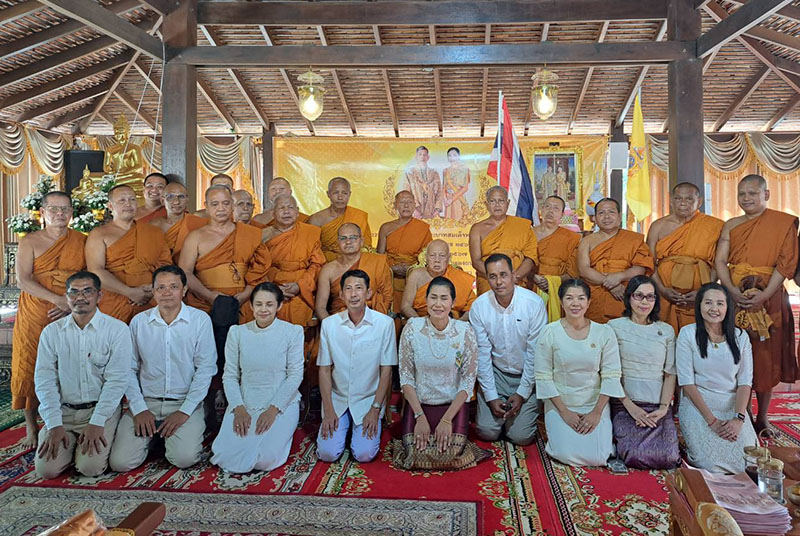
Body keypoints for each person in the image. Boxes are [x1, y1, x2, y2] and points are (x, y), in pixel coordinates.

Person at [108, 265, 216, 472]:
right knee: (120, 463)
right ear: (153, 291)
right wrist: (139, 409)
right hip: (146, 401)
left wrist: (184, 411)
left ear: (184, 290)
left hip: (183, 402)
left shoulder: (200, 320)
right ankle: (155, 437)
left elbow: (205, 369)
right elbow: (127, 369)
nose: (167, 292)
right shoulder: (139, 322)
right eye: (161, 287)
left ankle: (165, 436)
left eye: (173, 287)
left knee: (184, 459)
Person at [715, 174, 798, 435]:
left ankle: (762, 417)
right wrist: (730, 290)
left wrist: (764, 295)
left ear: (767, 195)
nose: (747, 199)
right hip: (736, 296)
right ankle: (741, 412)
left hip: (770, 297)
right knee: (734, 354)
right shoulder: (731, 225)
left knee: (766, 357)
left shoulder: (783, 223)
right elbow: (720, 261)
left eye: (752, 193)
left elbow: (785, 265)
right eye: (742, 194)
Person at [33, 271, 131, 478]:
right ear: (67, 297)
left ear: (99, 296)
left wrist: (97, 422)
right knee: (46, 470)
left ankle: (88, 443)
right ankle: (67, 442)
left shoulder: (117, 330)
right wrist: (53, 423)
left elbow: (117, 380)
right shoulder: (52, 333)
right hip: (64, 412)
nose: (80, 297)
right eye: (74, 292)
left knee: (90, 469)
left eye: (87, 291)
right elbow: (44, 381)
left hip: (99, 411)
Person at [12, 191, 86, 449]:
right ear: (42, 212)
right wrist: (56, 300)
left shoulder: (81, 240)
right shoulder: (30, 241)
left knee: (68, 361)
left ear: (72, 213)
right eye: (53, 209)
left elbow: (86, 278)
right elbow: (23, 280)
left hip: (71, 308)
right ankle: (31, 425)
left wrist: (71, 304)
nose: (60, 214)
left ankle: (67, 418)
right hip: (37, 308)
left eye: (65, 209)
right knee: (30, 362)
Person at [393, 276, 489, 470]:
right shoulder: (412, 328)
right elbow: (406, 378)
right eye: (433, 298)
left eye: (444, 298)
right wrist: (419, 417)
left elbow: (467, 383)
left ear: (453, 302)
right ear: (426, 300)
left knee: (449, 456)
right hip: (419, 405)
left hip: (452, 407)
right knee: (415, 455)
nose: (438, 304)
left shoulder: (465, 331)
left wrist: (447, 420)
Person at [211, 282, 303, 472]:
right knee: (224, 455)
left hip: (280, 401)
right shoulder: (237, 333)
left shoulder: (292, 332)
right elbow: (229, 376)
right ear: (251, 306)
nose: (263, 309)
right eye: (259, 304)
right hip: (245, 399)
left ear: (279, 306)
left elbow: (295, 376)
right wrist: (238, 408)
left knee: (264, 460)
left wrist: (273, 410)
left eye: (269, 304)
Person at [535, 279, 625, 466]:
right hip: (560, 402)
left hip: (594, 403)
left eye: (581, 298)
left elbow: (611, 375)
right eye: (569, 298)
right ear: (561, 302)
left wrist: (596, 412)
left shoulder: (604, 332)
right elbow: (543, 376)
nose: (575, 303)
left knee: (599, 456)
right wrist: (565, 413)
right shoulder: (549, 332)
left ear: (589, 302)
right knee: (565, 454)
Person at [316, 269, 396, 463]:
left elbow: (386, 370)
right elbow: (324, 370)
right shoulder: (329, 324)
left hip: (368, 400)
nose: (353, 294)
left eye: (359, 288)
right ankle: (343, 429)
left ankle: (356, 432)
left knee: (364, 454)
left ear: (368, 293)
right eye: (348, 289)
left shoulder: (384, 324)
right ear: (341, 294)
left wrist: (375, 408)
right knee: (327, 454)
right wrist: (328, 410)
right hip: (338, 399)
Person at [676, 283, 757, 473]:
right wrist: (712, 421)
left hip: (731, 405)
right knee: (709, 463)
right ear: (699, 306)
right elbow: (686, 382)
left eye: (720, 303)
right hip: (699, 404)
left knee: (749, 462)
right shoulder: (687, 334)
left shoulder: (740, 336)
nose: (714, 309)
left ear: (728, 307)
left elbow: (745, 382)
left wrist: (738, 419)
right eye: (708, 303)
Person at [470, 254, 547, 446]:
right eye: (493, 276)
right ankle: (500, 415)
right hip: (497, 373)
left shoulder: (533, 304)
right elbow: (482, 354)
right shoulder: (479, 307)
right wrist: (491, 396)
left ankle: (516, 416)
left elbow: (535, 353)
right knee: (487, 432)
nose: (498, 282)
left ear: (514, 275)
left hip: (527, 375)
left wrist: (522, 393)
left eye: (503, 275)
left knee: (521, 437)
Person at [607, 276, 680, 469]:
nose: (644, 302)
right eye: (638, 296)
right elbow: (610, 373)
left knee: (669, 457)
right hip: (625, 403)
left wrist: (664, 408)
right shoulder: (614, 327)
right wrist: (630, 407)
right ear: (629, 298)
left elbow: (670, 373)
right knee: (634, 456)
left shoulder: (666, 330)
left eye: (650, 297)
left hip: (657, 405)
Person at [179, 185, 272, 324]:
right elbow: (185, 272)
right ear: (206, 206)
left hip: (245, 301)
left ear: (232, 205)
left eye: (226, 203)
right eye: (215, 204)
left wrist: (246, 294)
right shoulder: (196, 237)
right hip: (206, 304)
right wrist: (211, 296)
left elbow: (260, 269)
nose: (221, 208)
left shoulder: (249, 233)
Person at [85, 184, 171, 323]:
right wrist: (129, 292)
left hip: (151, 298)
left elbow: (165, 266)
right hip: (115, 299)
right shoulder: (99, 234)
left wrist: (153, 289)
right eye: (122, 200)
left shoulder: (153, 232)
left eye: (132, 200)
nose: (128, 204)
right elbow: (95, 270)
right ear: (110, 206)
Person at [646, 182, 723, 334]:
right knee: (665, 337)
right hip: (665, 294)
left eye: (689, 199)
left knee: (698, 338)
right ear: (671, 200)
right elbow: (648, 263)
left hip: (699, 294)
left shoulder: (715, 226)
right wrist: (662, 289)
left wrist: (703, 291)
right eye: (678, 198)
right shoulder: (658, 226)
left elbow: (718, 264)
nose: (683, 203)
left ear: (699, 202)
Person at [577, 198, 654, 323]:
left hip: (625, 293)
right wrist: (611, 284)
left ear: (619, 216)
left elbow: (640, 267)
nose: (606, 216)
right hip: (597, 293)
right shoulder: (587, 241)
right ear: (595, 218)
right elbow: (583, 269)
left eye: (611, 212)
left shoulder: (633, 240)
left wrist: (620, 276)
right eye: (601, 213)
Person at [261, 194, 325, 327]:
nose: (286, 211)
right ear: (273, 213)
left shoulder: (310, 233)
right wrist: (272, 289)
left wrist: (300, 285)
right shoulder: (263, 235)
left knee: (299, 333)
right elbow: (257, 267)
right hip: (272, 288)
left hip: (301, 290)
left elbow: (317, 264)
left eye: (290, 207)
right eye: (281, 208)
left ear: (297, 212)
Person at [469, 186, 538, 295]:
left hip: (517, 281)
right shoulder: (477, 229)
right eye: (492, 201)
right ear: (486, 204)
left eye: (501, 200)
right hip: (489, 282)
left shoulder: (522, 226)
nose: (497, 205)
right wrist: (496, 278)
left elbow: (530, 257)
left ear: (508, 203)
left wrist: (514, 277)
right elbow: (476, 261)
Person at [315, 223, 392, 319]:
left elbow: (386, 298)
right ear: (338, 242)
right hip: (340, 321)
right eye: (343, 238)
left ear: (362, 241)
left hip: (373, 320)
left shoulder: (377, 262)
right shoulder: (328, 270)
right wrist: (332, 328)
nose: (348, 242)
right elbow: (320, 308)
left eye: (353, 238)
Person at [377, 190, 432, 311]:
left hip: (414, 277)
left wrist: (411, 269)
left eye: (409, 202)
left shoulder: (423, 228)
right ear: (395, 205)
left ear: (414, 205)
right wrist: (391, 269)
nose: (406, 205)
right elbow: (379, 258)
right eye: (402, 202)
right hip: (390, 276)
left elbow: (428, 258)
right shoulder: (386, 228)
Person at [531, 195, 581, 320]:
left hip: (559, 290)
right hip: (530, 287)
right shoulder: (528, 234)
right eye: (547, 206)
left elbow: (573, 273)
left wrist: (552, 282)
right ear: (541, 210)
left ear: (562, 215)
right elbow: (519, 262)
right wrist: (533, 277)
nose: (550, 211)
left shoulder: (571, 239)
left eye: (556, 208)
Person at [401, 239, 476, 320]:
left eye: (442, 256)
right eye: (432, 255)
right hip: (422, 321)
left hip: (453, 321)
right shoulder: (416, 275)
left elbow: (471, 309)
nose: (437, 260)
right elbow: (405, 306)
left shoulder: (461, 277)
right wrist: (421, 323)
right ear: (426, 257)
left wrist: (457, 325)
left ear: (449, 258)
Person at [307, 177, 372, 262]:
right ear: (328, 194)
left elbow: (366, 246)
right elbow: (311, 250)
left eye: (344, 193)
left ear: (349, 194)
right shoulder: (316, 219)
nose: (340, 197)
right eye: (335, 192)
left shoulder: (359, 216)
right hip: (327, 263)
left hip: (355, 262)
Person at [149, 182, 208, 263]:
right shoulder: (154, 225)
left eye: (181, 197)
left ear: (187, 200)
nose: (176, 202)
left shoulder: (197, 223)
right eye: (170, 197)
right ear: (162, 201)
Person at [400, 146, 442, 219]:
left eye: (424, 154)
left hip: (431, 212)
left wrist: (437, 209)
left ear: (428, 157)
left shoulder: (434, 173)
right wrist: (413, 210)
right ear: (416, 156)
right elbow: (406, 193)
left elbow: (439, 192)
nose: (422, 157)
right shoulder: (409, 173)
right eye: (420, 154)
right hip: (416, 212)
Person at [443, 147, 471, 221]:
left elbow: (465, 188)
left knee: (458, 222)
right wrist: (445, 199)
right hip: (448, 199)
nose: (452, 158)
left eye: (454, 155)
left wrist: (452, 199)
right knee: (448, 223)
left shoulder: (465, 170)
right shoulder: (445, 171)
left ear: (458, 156)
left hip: (458, 199)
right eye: (449, 155)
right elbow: (444, 187)